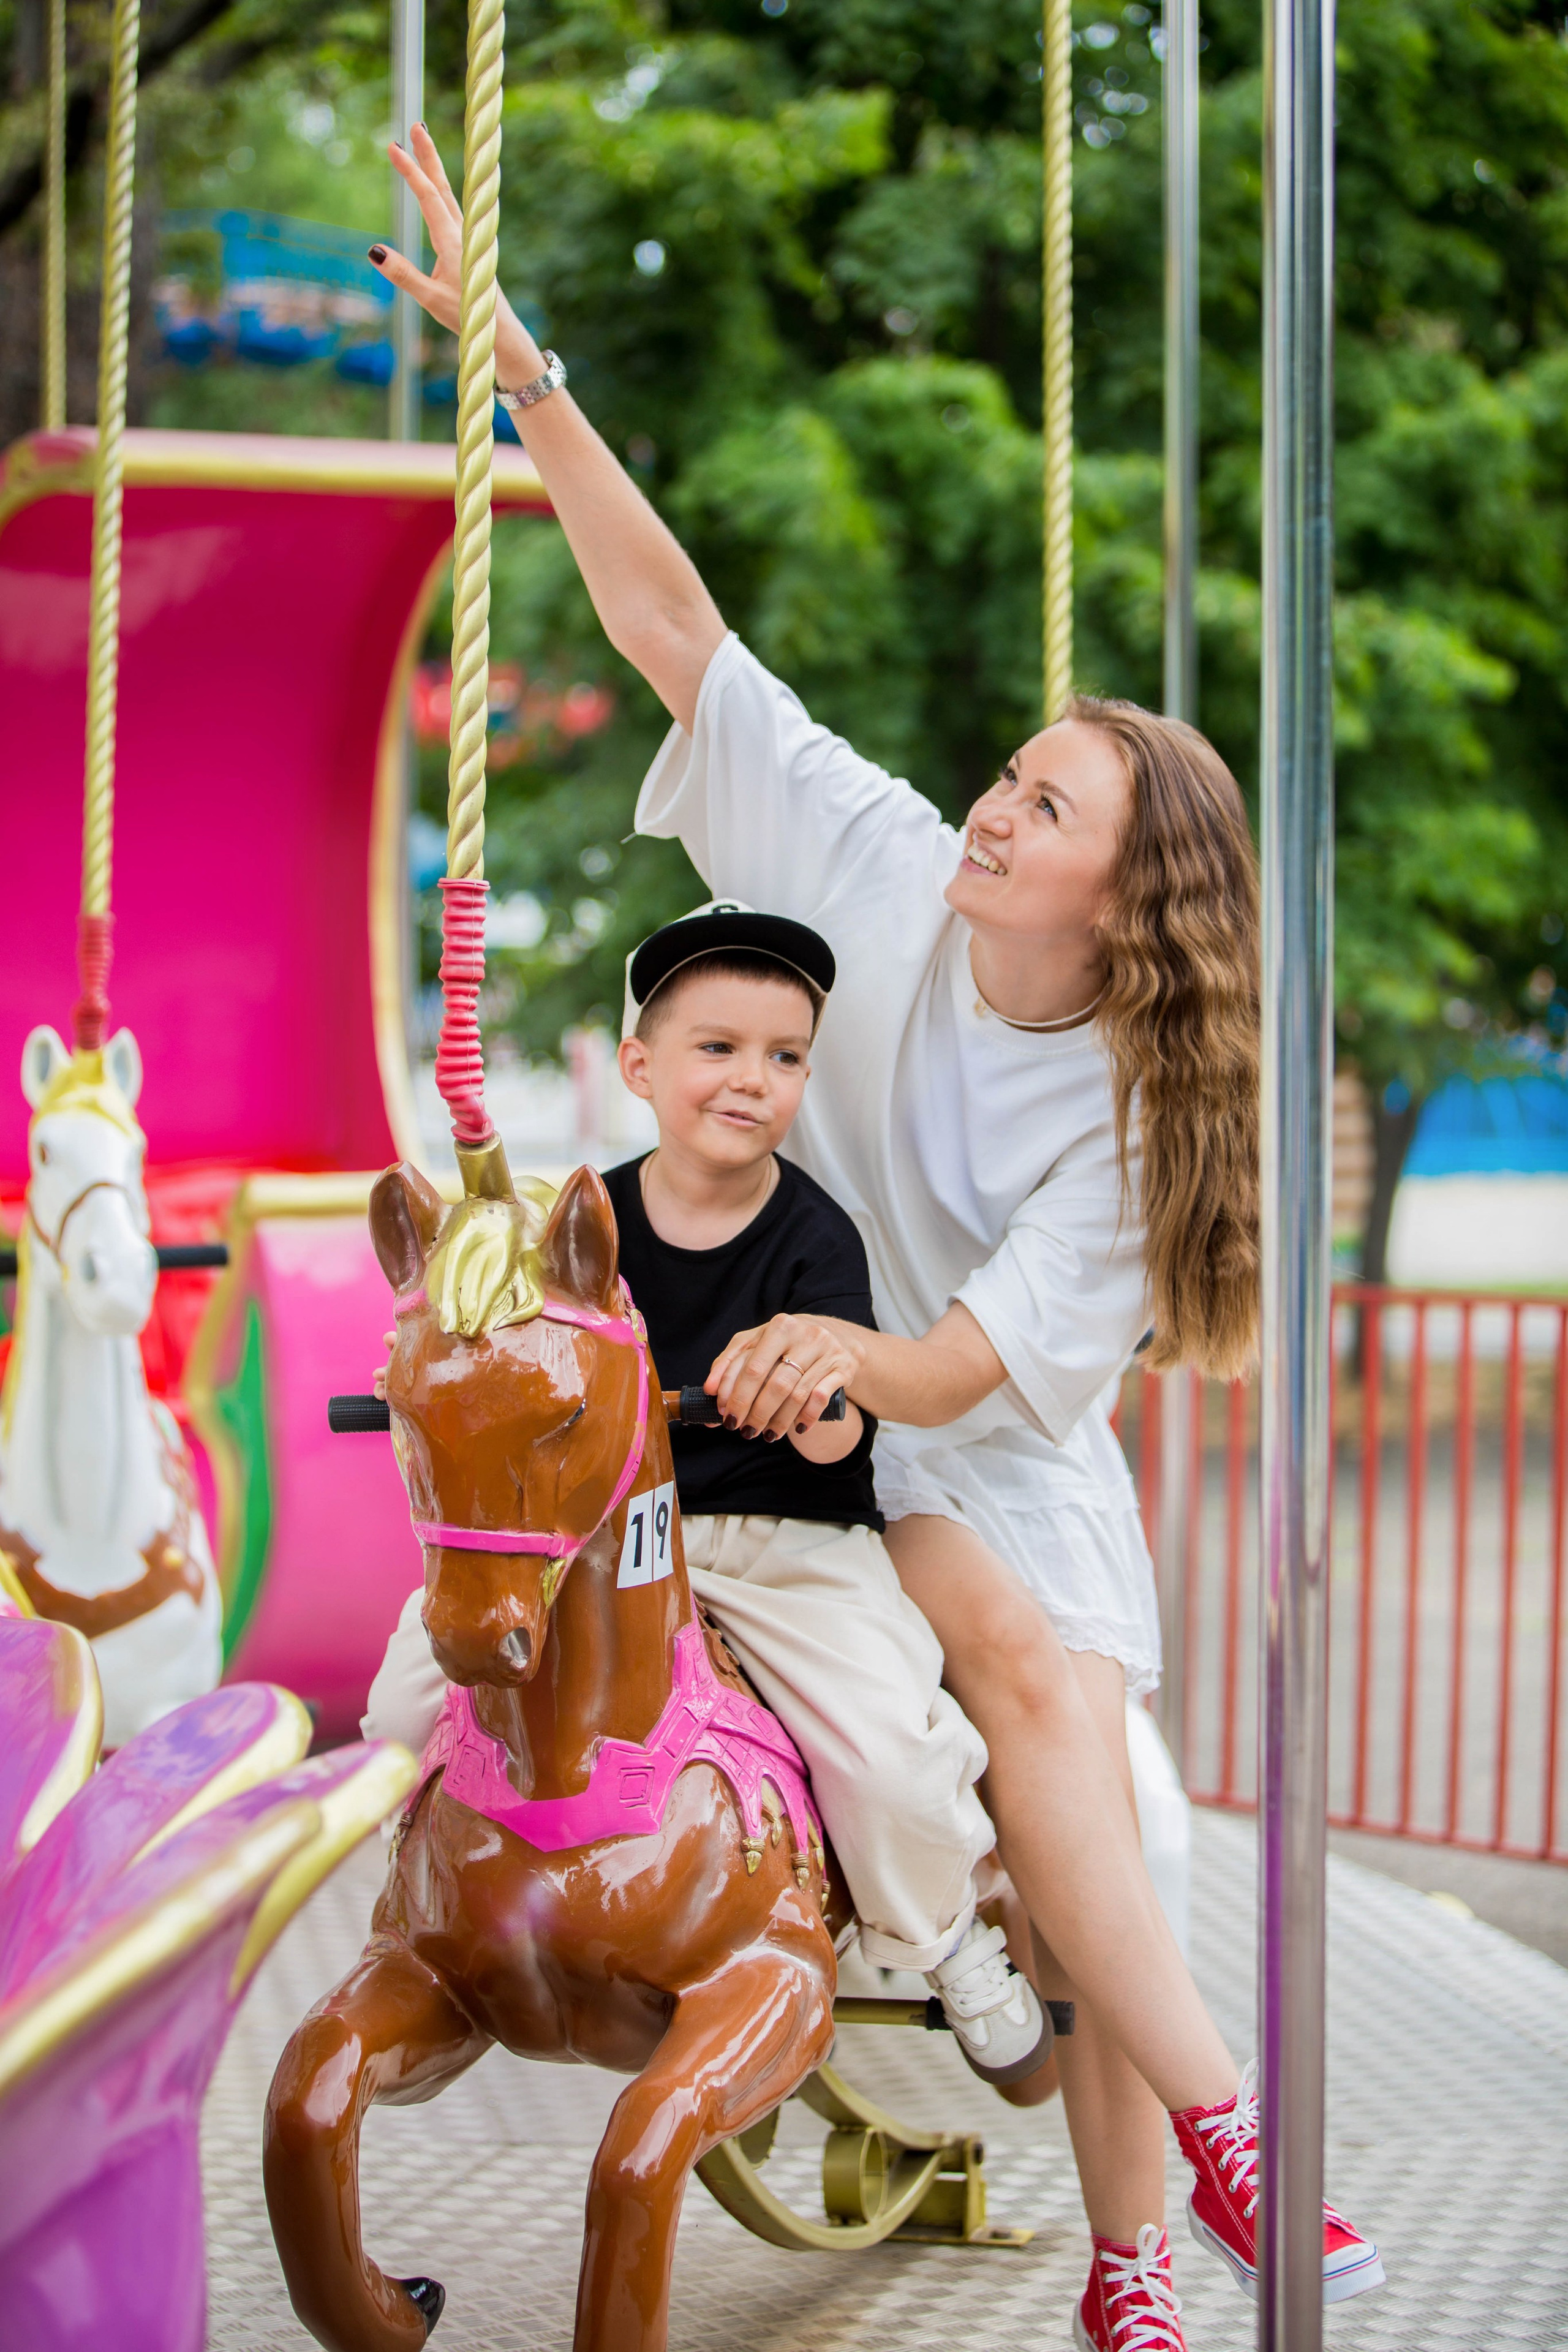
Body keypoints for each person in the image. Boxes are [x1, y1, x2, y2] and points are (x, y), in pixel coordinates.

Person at [370, 126, 1385, 2352]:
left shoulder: (1136, 1109)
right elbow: (672, 632)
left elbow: (955, 1380)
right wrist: (507, 357)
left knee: (1087, 1764)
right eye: (1009, 780)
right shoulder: (877, 861)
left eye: (1039, 808)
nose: (990, 807)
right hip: (788, 1423)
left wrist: (844, 1361)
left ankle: (1163, 2213)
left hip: (975, 1457)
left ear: (1120, 901)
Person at [365, 900, 1052, 2085]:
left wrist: (811, 1397)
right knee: (397, 1709)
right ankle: (430, 1912)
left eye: (785, 1057)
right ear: (640, 1066)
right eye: (719, 1049)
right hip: (613, 1543)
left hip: (787, 1544)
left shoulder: (813, 1234)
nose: (754, 1081)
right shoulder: (593, 1225)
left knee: (884, 1751)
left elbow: (843, 1436)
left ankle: (949, 1939)